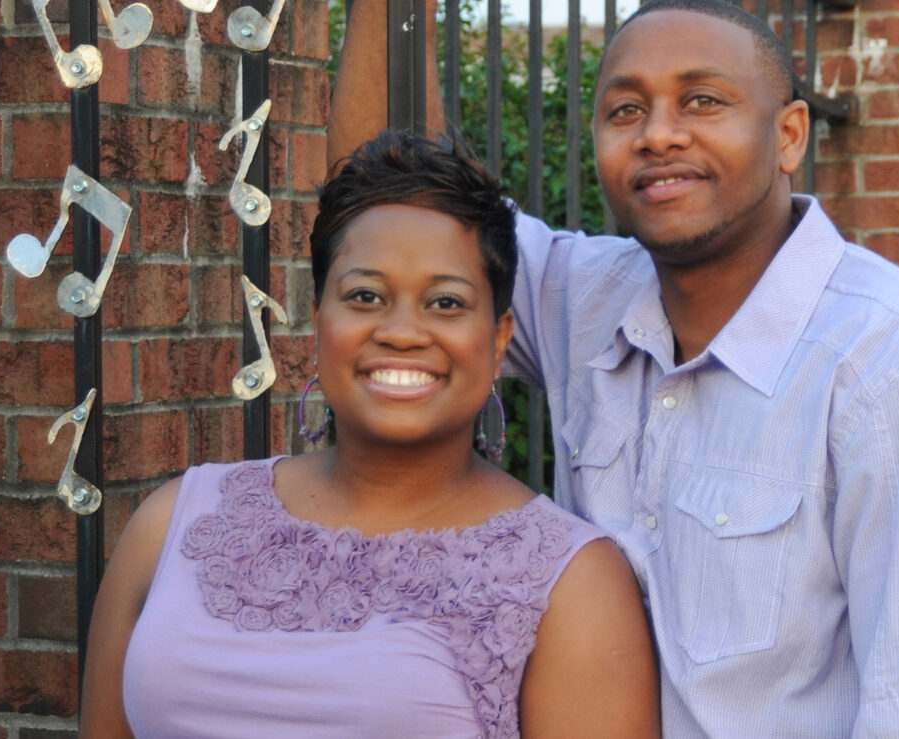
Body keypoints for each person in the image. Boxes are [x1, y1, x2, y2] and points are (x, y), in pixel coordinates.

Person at [328, 0, 899, 736]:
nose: (659, 134)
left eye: (703, 101)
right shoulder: (583, 300)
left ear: (790, 134)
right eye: (625, 110)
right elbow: (394, 204)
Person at [78, 130, 660, 738]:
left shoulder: (571, 582)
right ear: (318, 321)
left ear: (497, 339)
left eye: (445, 302)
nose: (402, 331)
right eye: (365, 295)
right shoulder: (174, 522)